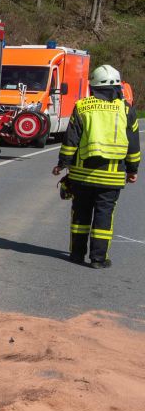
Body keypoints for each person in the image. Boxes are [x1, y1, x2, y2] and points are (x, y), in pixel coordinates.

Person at [52, 64, 140, 268]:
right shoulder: (126, 109)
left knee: (80, 213)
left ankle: (76, 254)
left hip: (82, 175)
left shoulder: (82, 106)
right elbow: (133, 144)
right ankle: (98, 259)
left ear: (93, 86)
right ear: (118, 86)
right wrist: (133, 170)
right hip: (112, 176)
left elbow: (71, 140)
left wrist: (61, 164)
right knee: (104, 216)